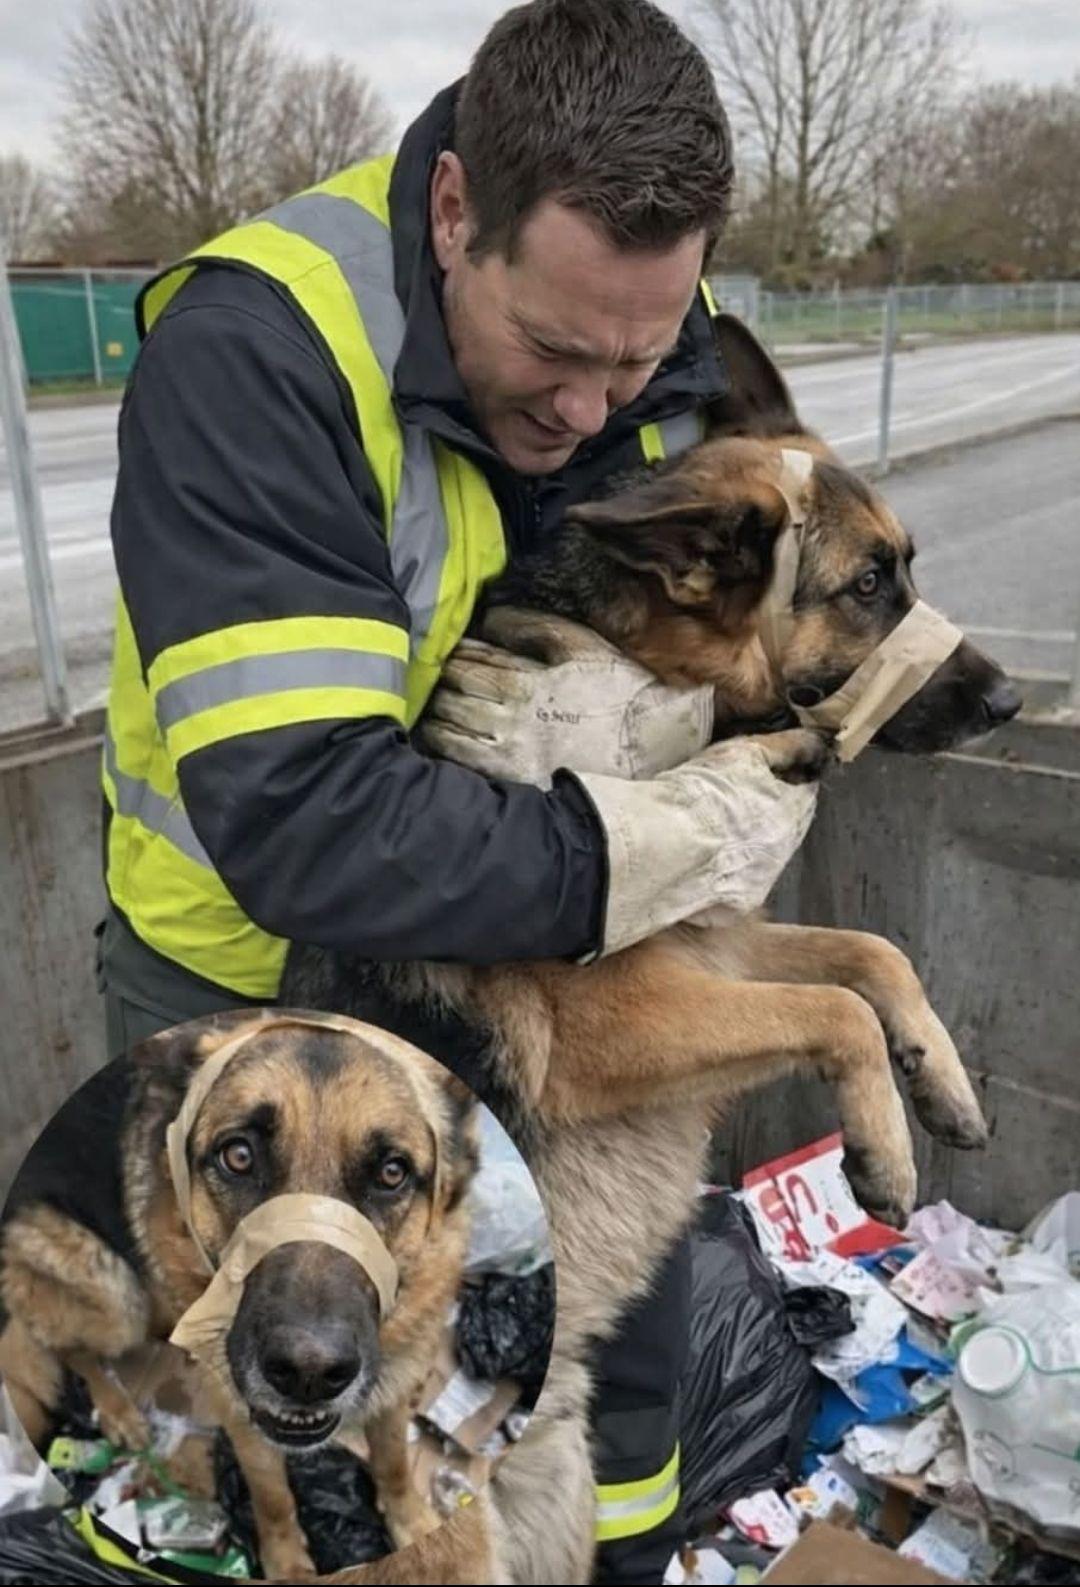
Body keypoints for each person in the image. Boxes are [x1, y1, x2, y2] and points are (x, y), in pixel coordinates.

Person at [97, 2, 817, 1579]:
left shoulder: (638, 330)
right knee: (317, 1422)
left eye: (639, 359)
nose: (593, 411)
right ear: (452, 217)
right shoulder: (260, 356)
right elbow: (306, 817)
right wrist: (636, 852)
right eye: (554, 355)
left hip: (505, 969)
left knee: (600, 1349)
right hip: (255, 1004)